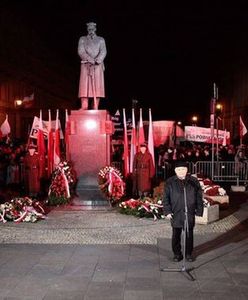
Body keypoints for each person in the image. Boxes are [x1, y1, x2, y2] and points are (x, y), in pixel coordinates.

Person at [163, 161, 203, 262]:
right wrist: (167, 211)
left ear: (187, 170)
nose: (181, 172)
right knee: (176, 234)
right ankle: (177, 254)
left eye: (183, 169)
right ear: (175, 171)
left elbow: (199, 196)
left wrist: (199, 210)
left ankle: (188, 253)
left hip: (188, 211)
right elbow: (166, 198)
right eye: (179, 170)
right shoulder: (170, 181)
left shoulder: (193, 181)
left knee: (189, 234)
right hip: (176, 212)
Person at [78, 22, 107, 110]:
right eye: (89, 28)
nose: (91, 30)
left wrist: (98, 60)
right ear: (87, 29)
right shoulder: (82, 39)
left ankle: (95, 105)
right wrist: (89, 59)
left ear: (95, 29)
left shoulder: (101, 39)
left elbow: (103, 51)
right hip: (86, 64)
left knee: (97, 86)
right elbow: (81, 51)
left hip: (97, 66)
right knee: (84, 85)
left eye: (92, 28)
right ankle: (84, 105)